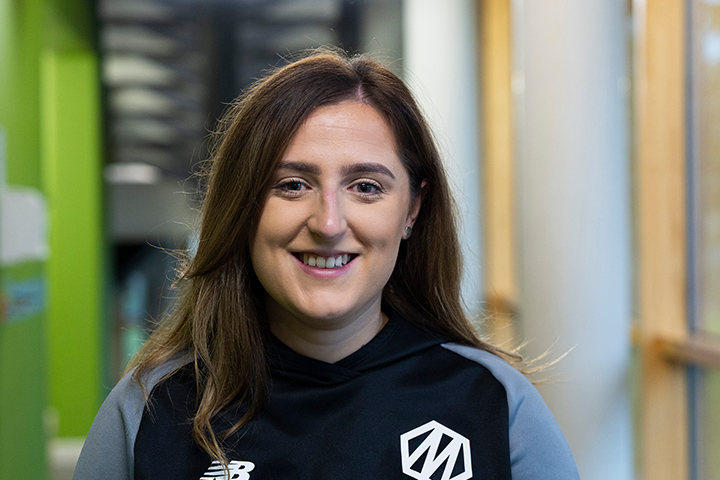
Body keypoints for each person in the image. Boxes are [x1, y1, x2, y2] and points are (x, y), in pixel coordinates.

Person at [73, 49, 579, 480]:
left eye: (366, 187)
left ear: (412, 210)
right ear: (244, 207)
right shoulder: (149, 411)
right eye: (293, 184)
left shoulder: (493, 403)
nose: (329, 222)